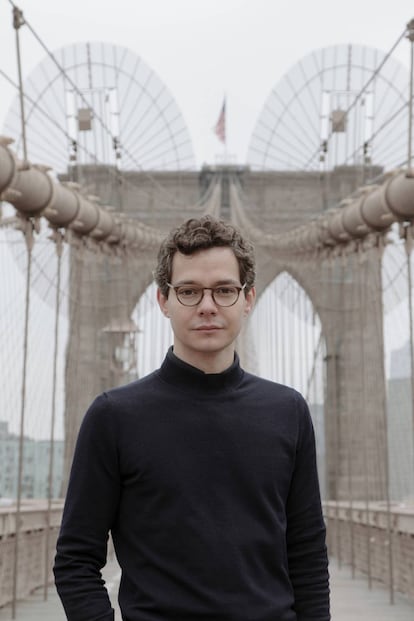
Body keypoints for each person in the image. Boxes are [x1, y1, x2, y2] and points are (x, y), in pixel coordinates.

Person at [54, 215, 330, 621]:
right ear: (163, 301)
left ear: (248, 299)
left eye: (224, 291)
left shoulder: (288, 411)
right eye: (188, 291)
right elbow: (75, 559)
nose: (207, 306)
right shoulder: (113, 417)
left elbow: (307, 553)